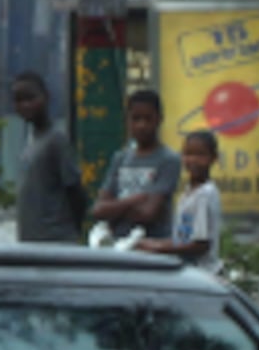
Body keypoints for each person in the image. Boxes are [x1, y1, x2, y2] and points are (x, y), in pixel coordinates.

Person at [87, 88, 182, 244]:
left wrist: (114, 209)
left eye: (147, 119)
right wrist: (134, 200)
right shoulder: (120, 158)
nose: (141, 125)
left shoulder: (168, 160)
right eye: (135, 119)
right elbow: (98, 210)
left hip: (152, 247)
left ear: (159, 119)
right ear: (127, 121)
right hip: (118, 244)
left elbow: (147, 214)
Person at [10, 71, 85, 243]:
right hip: (32, 241)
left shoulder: (56, 141)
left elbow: (75, 191)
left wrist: (73, 231)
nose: (25, 105)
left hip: (54, 241)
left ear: (46, 97)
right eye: (19, 101)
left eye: (31, 99)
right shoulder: (31, 142)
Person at [136, 130, 223, 273]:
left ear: (213, 158)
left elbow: (200, 244)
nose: (193, 160)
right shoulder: (187, 193)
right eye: (188, 154)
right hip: (189, 271)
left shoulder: (204, 194)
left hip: (204, 273)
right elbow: (182, 239)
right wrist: (151, 243)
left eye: (200, 155)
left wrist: (159, 248)